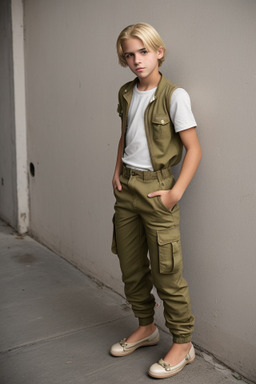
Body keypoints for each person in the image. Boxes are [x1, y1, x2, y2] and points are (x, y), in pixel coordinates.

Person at [110, 22, 201, 379]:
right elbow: (125, 136)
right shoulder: (125, 92)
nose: (136, 60)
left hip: (157, 191)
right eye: (129, 55)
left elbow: (193, 148)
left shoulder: (174, 95)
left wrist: (175, 192)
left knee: (167, 272)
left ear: (159, 52)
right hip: (127, 189)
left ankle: (183, 341)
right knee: (131, 266)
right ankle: (146, 327)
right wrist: (116, 171)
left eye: (143, 52)